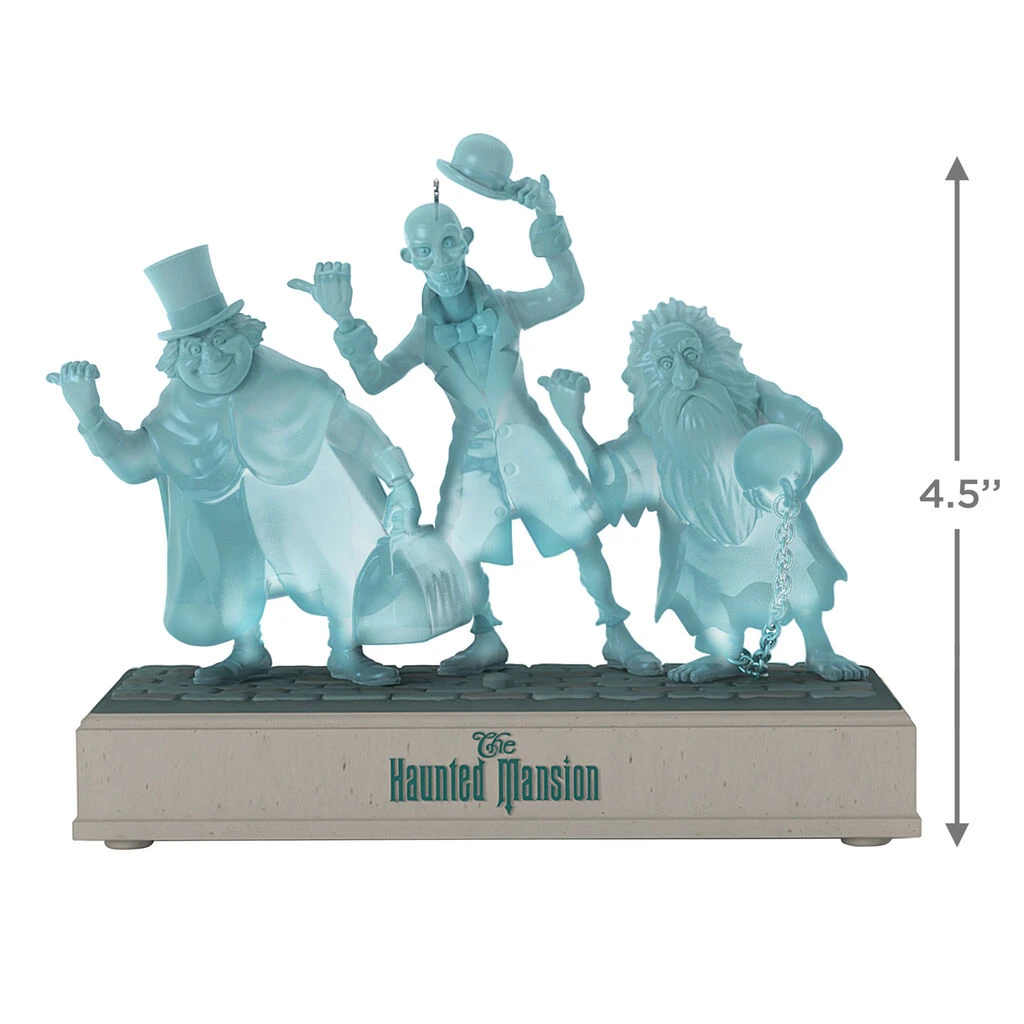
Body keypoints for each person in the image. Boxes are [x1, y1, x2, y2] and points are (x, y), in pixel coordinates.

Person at [291, 173, 659, 676]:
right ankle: (486, 636)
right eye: (425, 252)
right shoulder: (424, 335)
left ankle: (616, 631)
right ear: (409, 259)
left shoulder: (507, 307)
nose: (441, 262)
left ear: (466, 241)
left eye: (448, 244)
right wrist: (343, 319)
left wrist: (546, 218)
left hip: (531, 443)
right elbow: (374, 380)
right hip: (474, 456)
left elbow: (567, 291)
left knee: (582, 535)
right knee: (461, 548)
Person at [49, 245, 422, 685]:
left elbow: (354, 428)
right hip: (231, 523)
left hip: (305, 507)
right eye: (194, 348)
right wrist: (90, 415)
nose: (211, 357)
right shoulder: (175, 411)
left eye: (220, 339)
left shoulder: (293, 382)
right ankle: (247, 650)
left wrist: (399, 480)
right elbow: (134, 463)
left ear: (246, 334)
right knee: (230, 568)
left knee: (338, 559)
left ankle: (346, 647)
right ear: (175, 360)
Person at [540, 298, 867, 683]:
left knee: (798, 566)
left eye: (691, 355)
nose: (684, 376)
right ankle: (722, 652)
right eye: (666, 364)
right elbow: (612, 484)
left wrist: (791, 489)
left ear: (712, 356)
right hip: (701, 544)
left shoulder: (753, 396)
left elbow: (823, 439)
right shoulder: (654, 427)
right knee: (704, 583)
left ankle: (818, 646)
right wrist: (574, 425)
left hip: (773, 528)